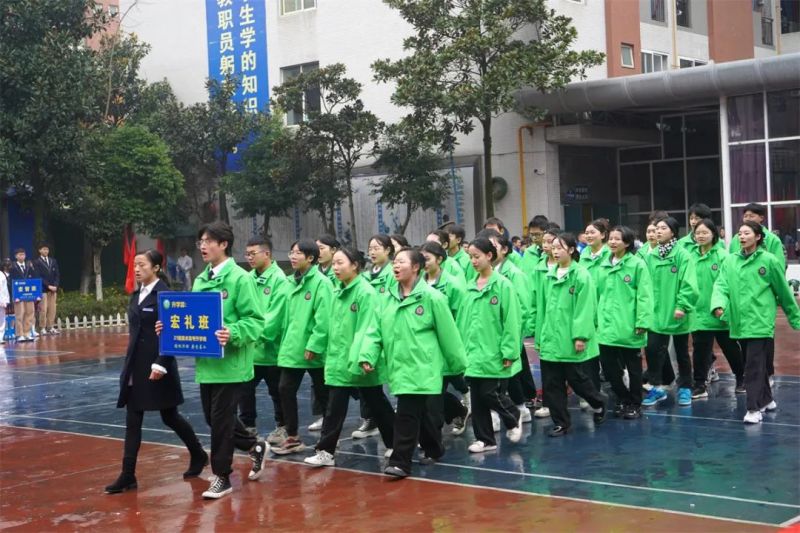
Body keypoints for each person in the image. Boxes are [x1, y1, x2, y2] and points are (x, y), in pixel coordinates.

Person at [177, 222, 268, 499]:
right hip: (208, 364)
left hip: (231, 364)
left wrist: (233, 332)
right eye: (201, 242)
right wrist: (169, 329)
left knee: (221, 423)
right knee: (214, 418)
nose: (203, 246)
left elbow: (255, 321)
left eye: (209, 241)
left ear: (224, 244)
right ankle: (254, 446)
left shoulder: (240, 279)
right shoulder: (200, 280)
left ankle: (222, 476)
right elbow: (192, 318)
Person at [105, 250, 207, 494]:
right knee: (133, 417)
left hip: (158, 365)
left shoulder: (165, 296)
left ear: (156, 268)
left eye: (142, 265)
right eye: (135, 265)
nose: (137, 269)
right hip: (135, 365)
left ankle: (198, 453)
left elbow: (173, 335)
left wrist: (161, 363)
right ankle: (128, 475)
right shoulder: (136, 295)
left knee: (170, 416)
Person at [361, 248, 466, 478]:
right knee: (422, 412)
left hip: (423, 366)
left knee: (406, 413)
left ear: (416, 267)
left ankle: (400, 462)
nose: (396, 266)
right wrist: (368, 355)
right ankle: (434, 447)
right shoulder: (386, 299)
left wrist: (457, 364)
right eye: (395, 263)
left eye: (401, 262)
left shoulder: (433, 298)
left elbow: (449, 334)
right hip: (398, 365)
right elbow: (374, 331)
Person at [304, 248, 395, 467]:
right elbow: (327, 324)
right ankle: (325, 451)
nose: (335, 268)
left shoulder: (365, 292)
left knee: (377, 404)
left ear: (354, 265)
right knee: (334, 407)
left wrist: (366, 356)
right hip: (339, 360)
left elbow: (370, 328)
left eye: (340, 263)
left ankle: (395, 443)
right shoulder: (337, 291)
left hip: (360, 360)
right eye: (334, 264)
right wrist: (315, 345)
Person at [711, 221, 800, 424]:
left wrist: (795, 317)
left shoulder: (769, 261)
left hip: (761, 320)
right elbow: (721, 285)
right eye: (739, 233)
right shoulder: (730, 261)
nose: (741, 237)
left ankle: (753, 408)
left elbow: (783, 292)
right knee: (753, 363)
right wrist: (718, 304)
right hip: (739, 321)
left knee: (753, 365)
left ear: (758, 237)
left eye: (746, 233)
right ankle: (767, 399)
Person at [537, 233, 607, 437]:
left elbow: (585, 309)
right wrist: (540, 337)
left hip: (570, 338)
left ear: (571, 249)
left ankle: (599, 402)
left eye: (559, 247)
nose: (555, 251)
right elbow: (542, 308)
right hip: (550, 338)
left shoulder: (581, 275)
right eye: (553, 248)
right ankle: (561, 423)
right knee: (552, 384)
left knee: (577, 380)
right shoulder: (548, 276)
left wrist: (580, 336)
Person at [459, 237, 524, 452]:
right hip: (473, 352)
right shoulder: (469, 287)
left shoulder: (503, 285)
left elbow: (512, 321)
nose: (473, 261)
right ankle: (485, 439)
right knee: (477, 398)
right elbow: (462, 322)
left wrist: (509, 351)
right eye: (470, 257)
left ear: (489, 255)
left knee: (490, 393)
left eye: (477, 256)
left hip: (493, 351)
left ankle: (513, 414)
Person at [272, 239, 333, 454]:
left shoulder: (322, 283)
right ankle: (293, 437)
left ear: (311, 258)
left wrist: (314, 345)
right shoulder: (289, 282)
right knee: (284, 389)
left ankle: (329, 439)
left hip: (313, 350)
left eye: (298, 253)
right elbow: (278, 316)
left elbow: (324, 319)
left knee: (324, 394)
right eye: (291, 252)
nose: (292, 256)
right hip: (292, 347)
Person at [596, 226, 654, 420]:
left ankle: (635, 404)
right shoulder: (603, 265)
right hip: (606, 327)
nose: (612, 242)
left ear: (627, 243)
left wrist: (642, 321)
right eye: (610, 239)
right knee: (609, 368)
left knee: (634, 369)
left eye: (617, 239)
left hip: (629, 326)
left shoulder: (637, 265)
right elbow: (598, 295)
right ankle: (623, 397)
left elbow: (645, 296)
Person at [238, 236, 291, 445]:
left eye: (253, 253)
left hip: (271, 349)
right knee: (244, 389)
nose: (249, 258)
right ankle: (248, 425)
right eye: (247, 254)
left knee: (277, 391)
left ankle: (283, 426)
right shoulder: (247, 279)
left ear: (267, 253)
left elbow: (274, 317)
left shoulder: (279, 279)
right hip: (250, 349)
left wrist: (250, 334)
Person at [480, 230, 536, 422]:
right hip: (490, 332)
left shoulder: (514, 275)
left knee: (507, 373)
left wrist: (516, 334)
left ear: (504, 249)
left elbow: (523, 308)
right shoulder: (483, 274)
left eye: (493, 246)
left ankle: (510, 410)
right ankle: (517, 408)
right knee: (508, 374)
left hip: (508, 331)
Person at [642, 216, 699, 408]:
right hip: (656, 313)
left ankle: (685, 387)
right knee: (652, 350)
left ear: (673, 232)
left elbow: (689, 284)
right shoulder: (651, 256)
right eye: (656, 228)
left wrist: (682, 306)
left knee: (682, 352)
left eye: (663, 228)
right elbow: (645, 284)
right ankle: (656, 387)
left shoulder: (682, 255)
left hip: (677, 312)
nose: (658, 231)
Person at [688, 219, 745, 399]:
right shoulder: (690, 256)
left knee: (730, 348)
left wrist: (724, 307)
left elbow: (729, 284)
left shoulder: (723, 256)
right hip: (698, 312)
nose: (701, 236)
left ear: (713, 234)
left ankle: (741, 378)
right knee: (700, 350)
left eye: (705, 232)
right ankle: (699, 384)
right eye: (698, 233)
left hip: (719, 311)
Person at [420, 241, 470, 435]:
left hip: (446, 347)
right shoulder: (418, 284)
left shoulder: (453, 286)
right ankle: (459, 410)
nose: (424, 263)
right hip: (425, 347)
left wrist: (456, 345)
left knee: (435, 393)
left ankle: (433, 436)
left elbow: (461, 319)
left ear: (440, 259)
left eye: (427, 259)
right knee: (430, 392)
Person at [354, 234, 397, 439]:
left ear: (388, 250)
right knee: (368, 381)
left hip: (384, 330)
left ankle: (394, 425)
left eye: (377, 248)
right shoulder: (365, 276)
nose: (372, 252)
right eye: (370, 248)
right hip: (366, 329)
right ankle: (371, 419)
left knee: (378, 383)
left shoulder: (392, 274)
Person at [579, 218, 611, 394]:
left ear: (603, 235)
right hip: (588, 310)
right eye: (587, 233)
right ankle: (593, 391)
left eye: (593, 232)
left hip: (607, 309)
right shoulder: (582, 256)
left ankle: (618, 380)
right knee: (590, 354)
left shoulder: (611, 254)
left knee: (608, 355)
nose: (589, 235)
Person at [729, 203, 786, 271]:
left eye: (751, 216)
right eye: (745, 216)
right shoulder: (736, 238)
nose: (747, 219)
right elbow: (730, 262)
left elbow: (779, 267)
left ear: (761, 218)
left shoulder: (772, 239)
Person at [9, 248, 36, 342]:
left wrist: (32, 268)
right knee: (20, 313)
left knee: (30, 312)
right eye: (20, 254)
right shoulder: (12, 267)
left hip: (29, 293)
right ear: (16, 256)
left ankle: (27, 333)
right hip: (18, 294)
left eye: (23, 254)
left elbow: (34, 278)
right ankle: (19, 334)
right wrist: (13, 295)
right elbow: (10, 282)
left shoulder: (29, 265)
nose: (22, 256)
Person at [33, 243, 60, 335]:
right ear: (40, 250)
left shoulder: (53, 261)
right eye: (44, 249)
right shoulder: (36, 262)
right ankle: (42, 328)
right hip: (43, 289)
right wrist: (48, 286)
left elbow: (57, 275)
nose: (46, 251)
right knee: (43, 309)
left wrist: (55, 285)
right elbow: (38, 276)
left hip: (53, 289)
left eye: (47, 249)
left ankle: (50, 326)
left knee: (52, 309)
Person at [0, 263, 9, 344]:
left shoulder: (2, 275)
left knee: (2, 319)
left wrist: (5, 300)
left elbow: (4, 289)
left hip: (2, 300)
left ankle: (0, 337)